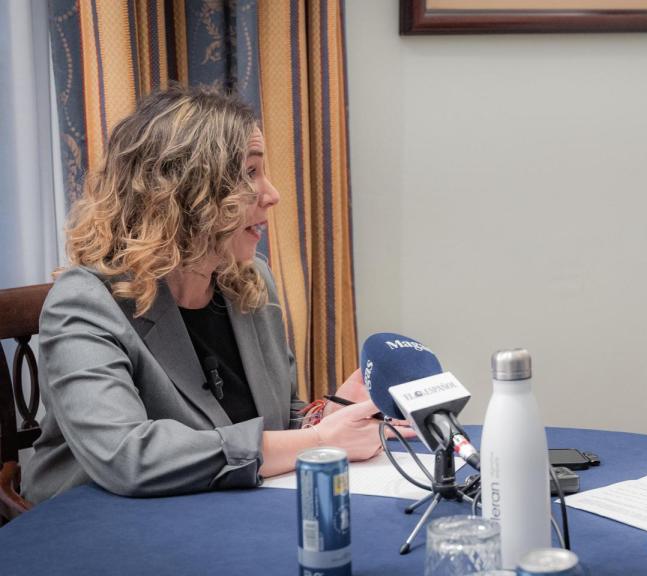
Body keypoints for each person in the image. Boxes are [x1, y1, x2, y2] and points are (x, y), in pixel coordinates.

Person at [24, 86, 407, 503]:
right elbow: (128, 457)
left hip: (216, 512)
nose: (272, 195)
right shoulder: (85, 303)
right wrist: (316, 440)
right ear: (185, 192)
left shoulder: (250, 282)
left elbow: (255, 420)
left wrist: (325, 414)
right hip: (97, 528)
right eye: (249, 173)